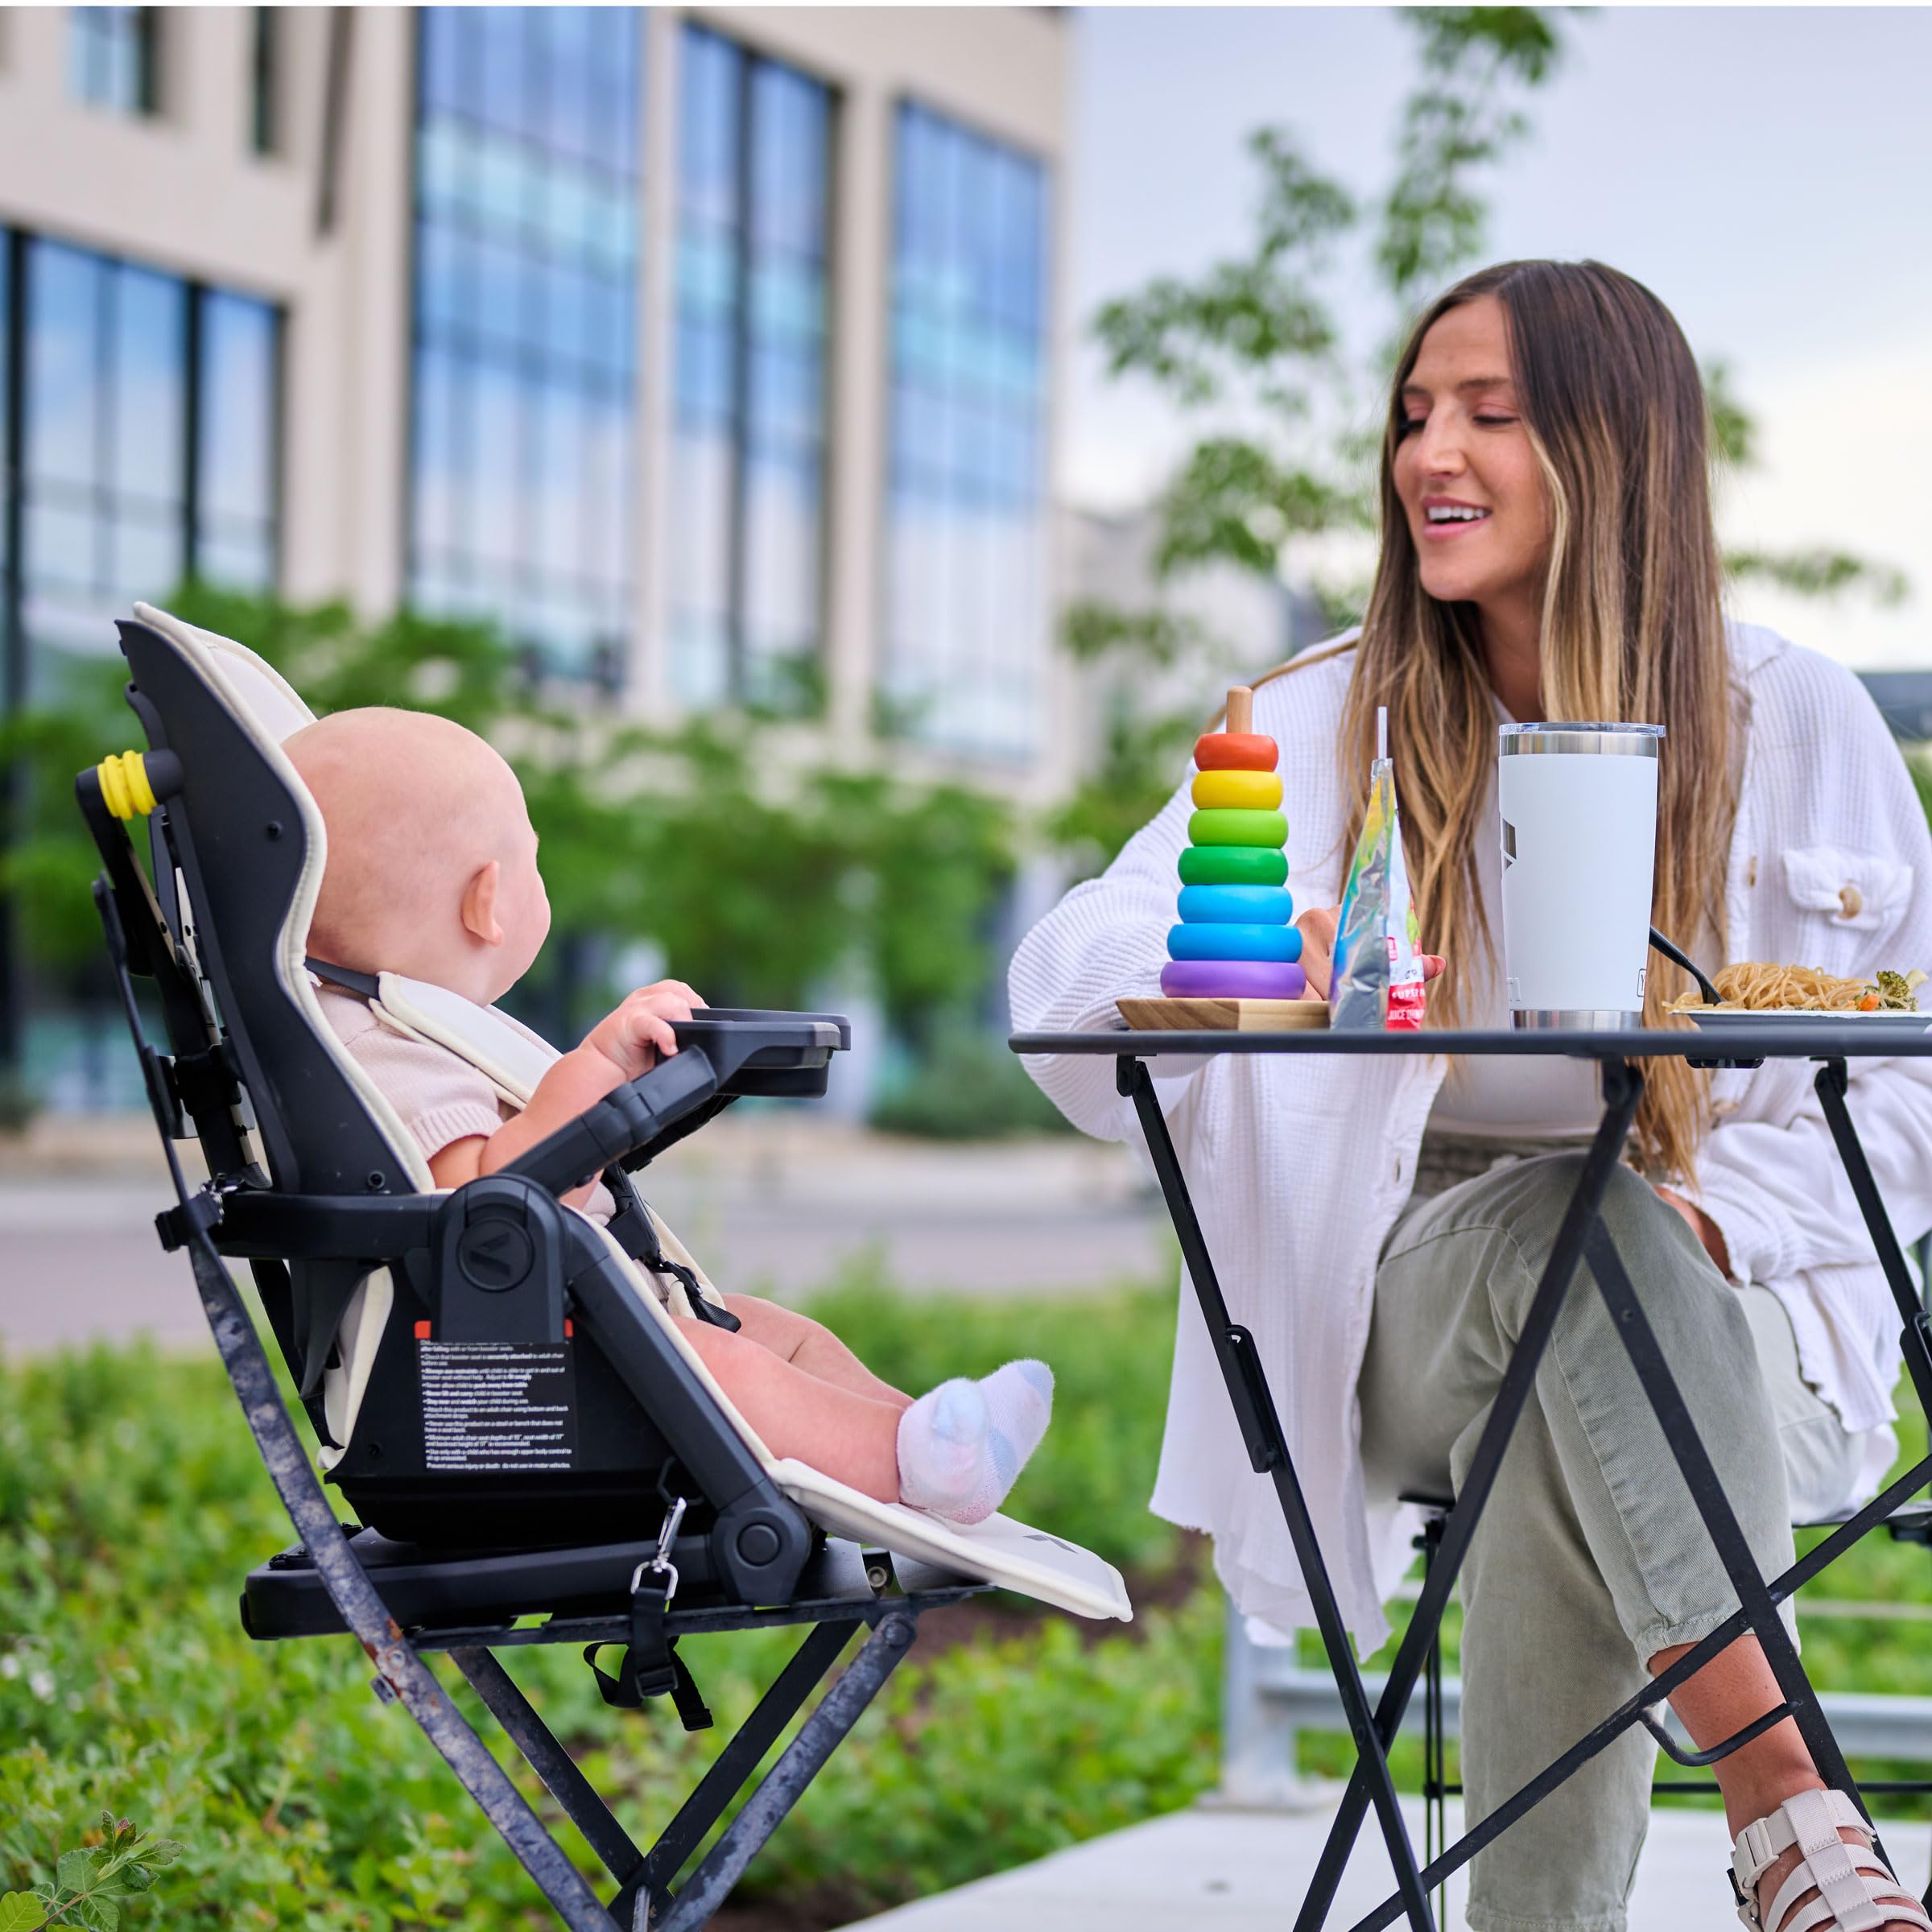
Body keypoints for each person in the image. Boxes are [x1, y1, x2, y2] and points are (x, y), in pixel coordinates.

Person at [1011, 259, 1932, 1932]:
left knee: (1581, 1349)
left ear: (1616, 448)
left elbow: (1910, 1102)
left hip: (1753, 1315)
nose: (1429, 454)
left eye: (1490, 416)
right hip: (1403, 1309)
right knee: (1563, 1250)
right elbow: (1066, 1000)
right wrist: (1238, 961)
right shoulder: (1322, 715)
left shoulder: (1796, 720)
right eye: (1415, 414)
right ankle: (1789, 1813)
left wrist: (1713, 1221)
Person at [284, 705, 1052, 1529]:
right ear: (488, 901)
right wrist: (593, 1071)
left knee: (781, 1337)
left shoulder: (414, 1031)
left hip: (568, 1336)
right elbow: (485, 1211)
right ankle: (917, 1467)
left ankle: (929, 1444)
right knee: (728, 1369)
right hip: (498, 1385)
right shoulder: (382, 1052)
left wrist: (609, 1072)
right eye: (534, 864)